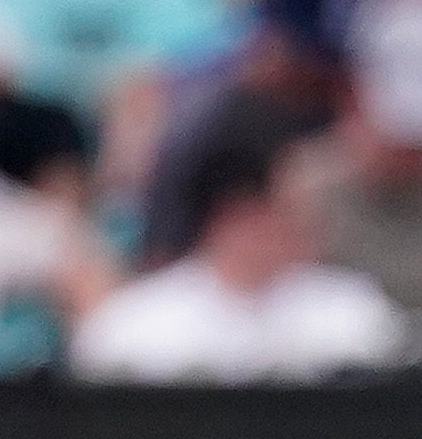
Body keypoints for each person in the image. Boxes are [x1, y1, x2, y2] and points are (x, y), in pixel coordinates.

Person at [75, 120, 406, 381]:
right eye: (285, 208)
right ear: (233, 214)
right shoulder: (135, 324)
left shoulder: (353, 310)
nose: (306, 221)